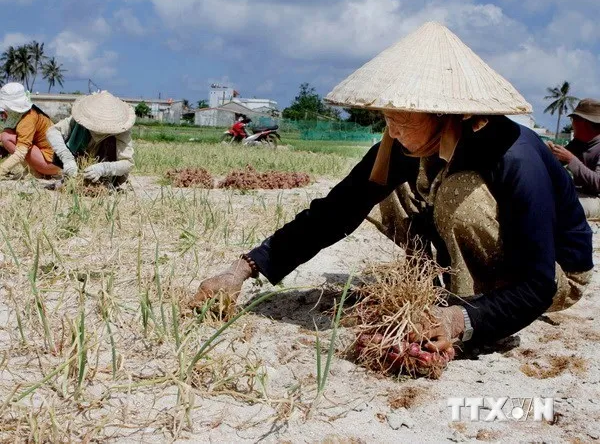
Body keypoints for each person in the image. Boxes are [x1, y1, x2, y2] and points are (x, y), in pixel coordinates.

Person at [191, 22, 593, 370]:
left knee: (459, 195)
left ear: (443, 115)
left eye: (402, 120)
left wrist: (457, 321)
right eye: (388, 119)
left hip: (552, 274)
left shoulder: (514, 154)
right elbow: (334, 211)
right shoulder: (405, 145)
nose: (393, 130)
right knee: (383, 192)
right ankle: (451, 290)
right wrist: (243, 269)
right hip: (501, 262)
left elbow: (538, 283)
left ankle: (470, 304)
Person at [47, 90, 135, 186]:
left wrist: (104, 168)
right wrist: (67, 158)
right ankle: (73, 178)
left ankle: (105, 181)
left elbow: (127, 163)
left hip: (107, 169)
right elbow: (53, 132)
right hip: (78, 163)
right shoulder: (78, 120)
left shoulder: (121, 129)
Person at [549, 98, 600, 218]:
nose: (572, 124)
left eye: (574, 120)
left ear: (584, 122)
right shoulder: (579, 143)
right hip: (579, 193)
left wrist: (571, 160)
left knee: (565, 207)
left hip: (597, 198)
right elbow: (555, 164)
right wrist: (549, 153)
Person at [0, 83, 61, 178]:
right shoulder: (28, 112)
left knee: (6, 137)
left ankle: (34, 173)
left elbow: (21, 153)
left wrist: (2, 170)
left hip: (52, 163)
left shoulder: (27, 120)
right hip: (55, 160)